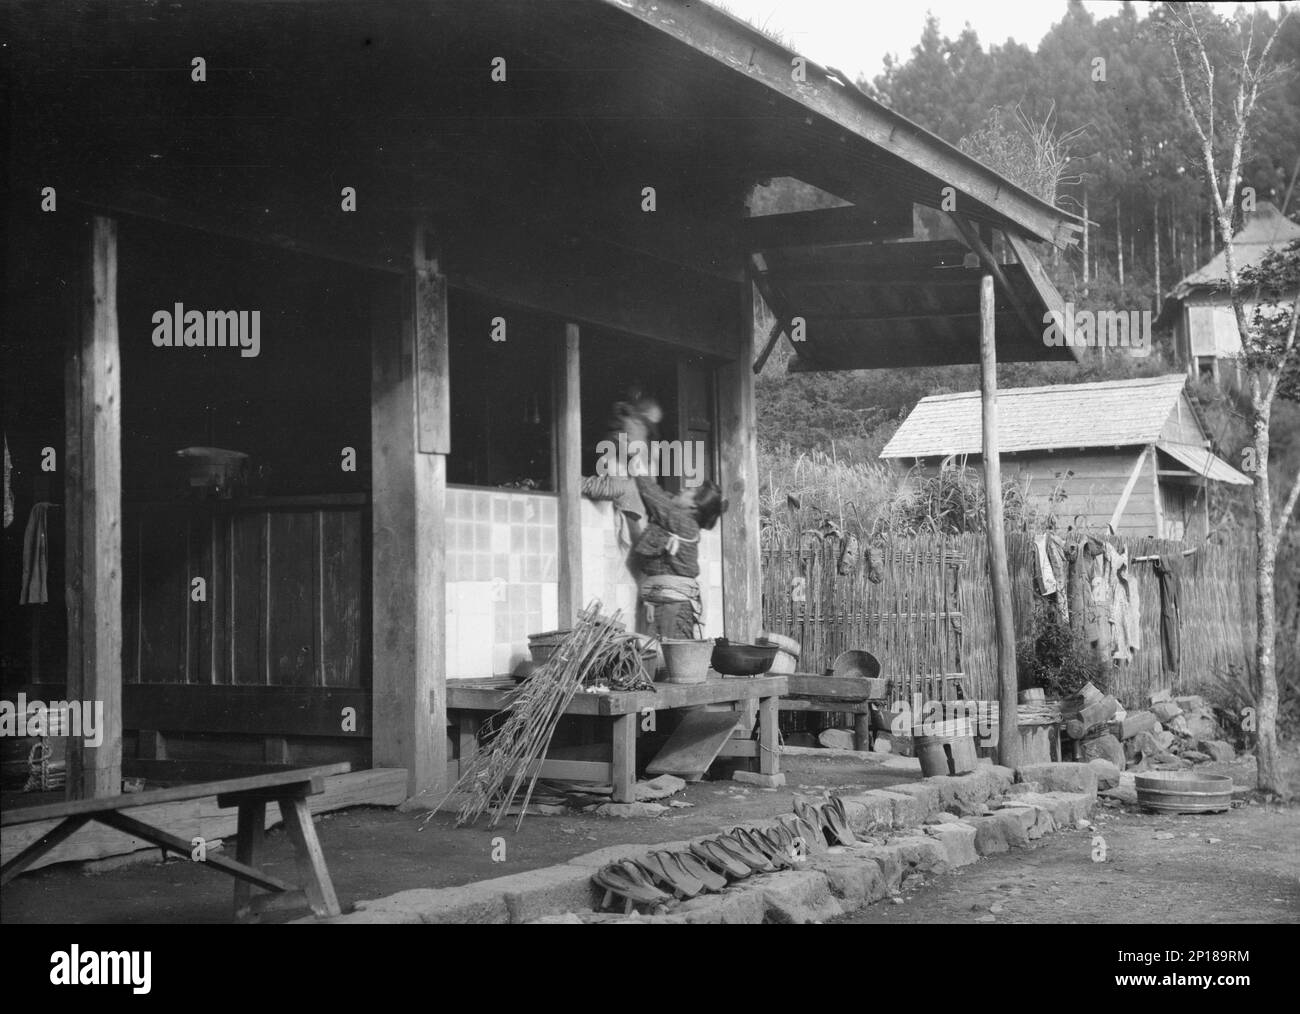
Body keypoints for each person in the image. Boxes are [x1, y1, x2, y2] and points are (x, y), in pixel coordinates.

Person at [632, 473, 726, 639]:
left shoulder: (684, 523)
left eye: (689, 490)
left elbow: (656, 499)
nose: (682, 488)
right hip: (666, 605)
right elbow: (665, 500)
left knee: (673, 659)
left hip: (674, 608)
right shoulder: (681, 521)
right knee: (661, 659)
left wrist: (637, 467)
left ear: (693, 506)